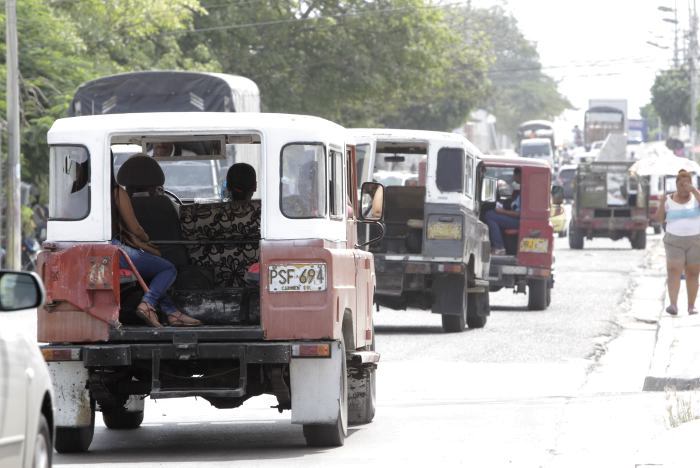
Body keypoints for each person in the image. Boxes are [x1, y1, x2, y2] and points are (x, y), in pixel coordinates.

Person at [112, 160, 201, 327]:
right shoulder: (118, 193)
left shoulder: (94, 194)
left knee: (150, 271)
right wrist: (148, 243)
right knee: (167, 268)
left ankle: (172, 312)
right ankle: (147, 305)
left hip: (110, 249)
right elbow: (135, 229)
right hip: (118, 249)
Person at [657, 169, 700, 316]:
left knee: (693, 273)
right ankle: (673, 305)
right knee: (673, 271)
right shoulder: (668, 200)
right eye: (681, 184)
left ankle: (691, 306)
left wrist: (694, 191)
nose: (684, 187)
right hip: (674, 241)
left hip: (695, 240)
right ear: (676, 185)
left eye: (687, 183)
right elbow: (659, 219)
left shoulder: (696, 196)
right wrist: (662, 203)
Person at [484, 168, 521, 255]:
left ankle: (499, 247)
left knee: (490, 215)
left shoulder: (525, 192)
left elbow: (519, 214)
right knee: (491, 213)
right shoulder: (520, 190)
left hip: (519, 221)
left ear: (519, 176)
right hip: (516, 219)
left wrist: (502, 211)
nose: (513, 177)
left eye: (515, 175)